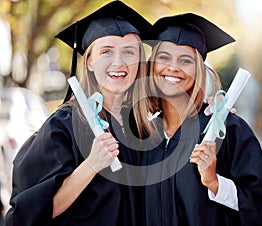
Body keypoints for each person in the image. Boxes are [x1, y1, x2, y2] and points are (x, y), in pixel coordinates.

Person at [137, 13, 262, 225]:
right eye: (164, 57)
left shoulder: (227, 130)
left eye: (185, 60)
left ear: (199, 70)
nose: (173, 67)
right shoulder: (142, 134)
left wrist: (215, 183)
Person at [4, 1, 152, 226]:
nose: (119, 62)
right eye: (107, 51)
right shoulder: (63, 126)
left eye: (129, 52)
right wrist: (92, 164)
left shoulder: (144, 125)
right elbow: (30, 215)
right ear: (90, 61)